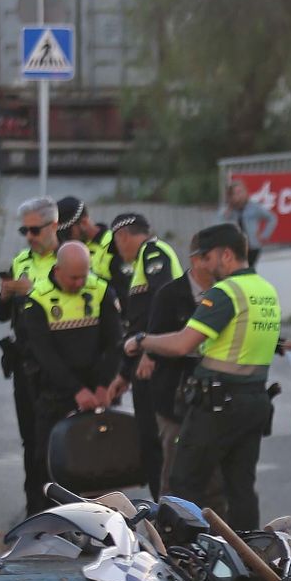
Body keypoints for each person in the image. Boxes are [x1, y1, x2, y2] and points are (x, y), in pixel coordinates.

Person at [128, 224, 280, 530]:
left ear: (225, 255)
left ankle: (185, 562)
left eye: (208, 257)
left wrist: (143, 340)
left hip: (217, 403)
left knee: (184, 483)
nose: (206, 266)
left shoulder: (226, 292)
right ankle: (247, 557)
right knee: (240, 488)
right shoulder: (266, 290)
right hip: (255, 400)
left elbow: (183, 343)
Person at [17, 241, 122, 498]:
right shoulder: (37, 300)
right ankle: (44, 518)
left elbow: (115, 342)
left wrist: (102, 385)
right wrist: (76, 390)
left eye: (83, 276)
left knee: (97, 462)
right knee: (46, 459)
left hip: (96, 392)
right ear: (58, 270)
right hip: (55, 393)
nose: (79, 283)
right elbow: (45, 355)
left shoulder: (100, 290)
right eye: (73, 277)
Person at [144, 238, 226, 513]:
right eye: (218, 256)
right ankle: (168, 544)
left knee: (215, 480)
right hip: (174, 402)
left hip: (214, 402)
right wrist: (183, 345)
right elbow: (154, 343)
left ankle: (218, 541)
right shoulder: (170, 294)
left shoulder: (225, 293)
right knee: (174, 476)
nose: (224, 263)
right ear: (198, 260)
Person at [107, 213, 183, 498]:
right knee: (150, 440)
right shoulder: (143, 259)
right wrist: (124, 373)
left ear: (123, 235)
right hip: (145, 364)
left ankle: (167, 511)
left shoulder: (154, 253)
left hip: (157, 365)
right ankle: (161, 507)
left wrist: (151, 351)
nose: (119, 250)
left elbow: (162, 303)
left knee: (158, 443)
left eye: (118, 242)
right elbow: (139, 322)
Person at [0, 197, 62, 515]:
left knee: (57, 440)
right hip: (26, 365)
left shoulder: (70, 259)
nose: (30, 237)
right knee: (30, 440)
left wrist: (32, 290)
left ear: (54, 226)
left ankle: (63, 506)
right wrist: (6, 294)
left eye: (35, 230)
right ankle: (34, 506)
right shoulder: (21, 259)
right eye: (25, 230)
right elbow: (0, 313)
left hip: (60, 365)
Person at [220, 179, 278, 269]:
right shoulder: (230, 210)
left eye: (240, 192)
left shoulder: (253, 207)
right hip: (235, 247)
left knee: (248, 269)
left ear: (246, 192)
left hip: (252, 246)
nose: (238, 195)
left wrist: (264, 235)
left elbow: (272, 218)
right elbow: (218, 223)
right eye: (235, 193)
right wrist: (229, 209)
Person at [56, 196, 113, 279]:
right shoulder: (67, 249)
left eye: (68, 234)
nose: (65, 241)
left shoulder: (113, 245)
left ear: (84, 222)